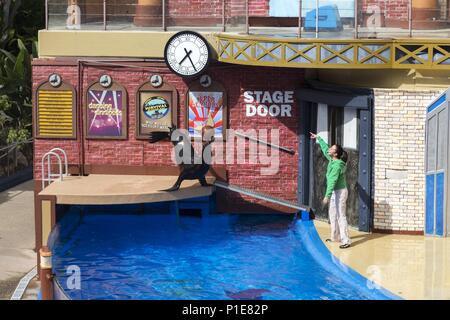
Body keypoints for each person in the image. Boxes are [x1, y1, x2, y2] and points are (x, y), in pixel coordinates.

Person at [310, 132, 351, 249]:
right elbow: (325, 150)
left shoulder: (337, 165)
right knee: (332, 214)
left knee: (340, 215)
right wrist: (319, 138)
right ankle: (335, 237)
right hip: (334, 191)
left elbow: (332, 181)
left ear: (336, 154)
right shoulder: (332, 159)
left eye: (332, 149)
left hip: (340, 192)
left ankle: (346, 240)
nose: (329, 149)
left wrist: (327, 196)